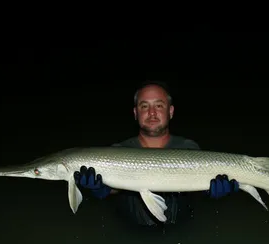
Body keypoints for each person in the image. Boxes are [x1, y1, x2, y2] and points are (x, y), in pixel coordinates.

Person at [74, 81, 239, 227]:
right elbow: (114, 188)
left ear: (171, 111)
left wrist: (208, 191)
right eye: (144, 106)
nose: (152, 113)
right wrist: (100, 189)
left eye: (159, 105)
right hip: (129, 234)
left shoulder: (187, 148)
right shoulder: (118, 149)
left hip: (182, 234)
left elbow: (194, 185)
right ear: (135, 113)